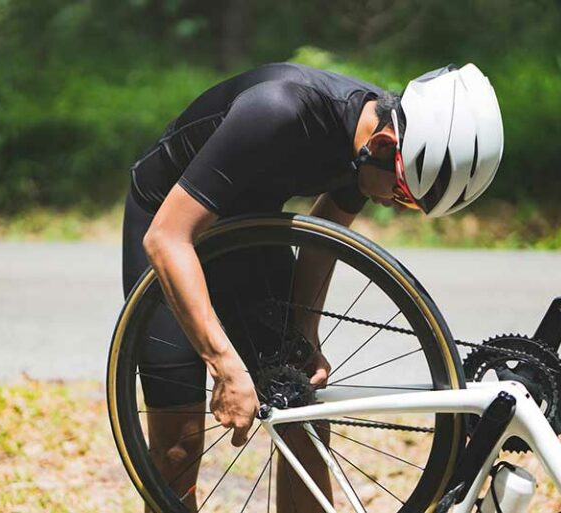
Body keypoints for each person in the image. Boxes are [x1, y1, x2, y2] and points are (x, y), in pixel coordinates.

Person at [123, 61, 503, 511]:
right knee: (178, 444)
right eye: (402, 193)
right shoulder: (281, 111)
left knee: (300, 411)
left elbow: (326, 232)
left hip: (248, 229)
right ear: (383, 144)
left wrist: (304, 333)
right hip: (168, 219)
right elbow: (166, 239)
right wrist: (225, 364)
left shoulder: (376, 144)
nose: (397, 207)